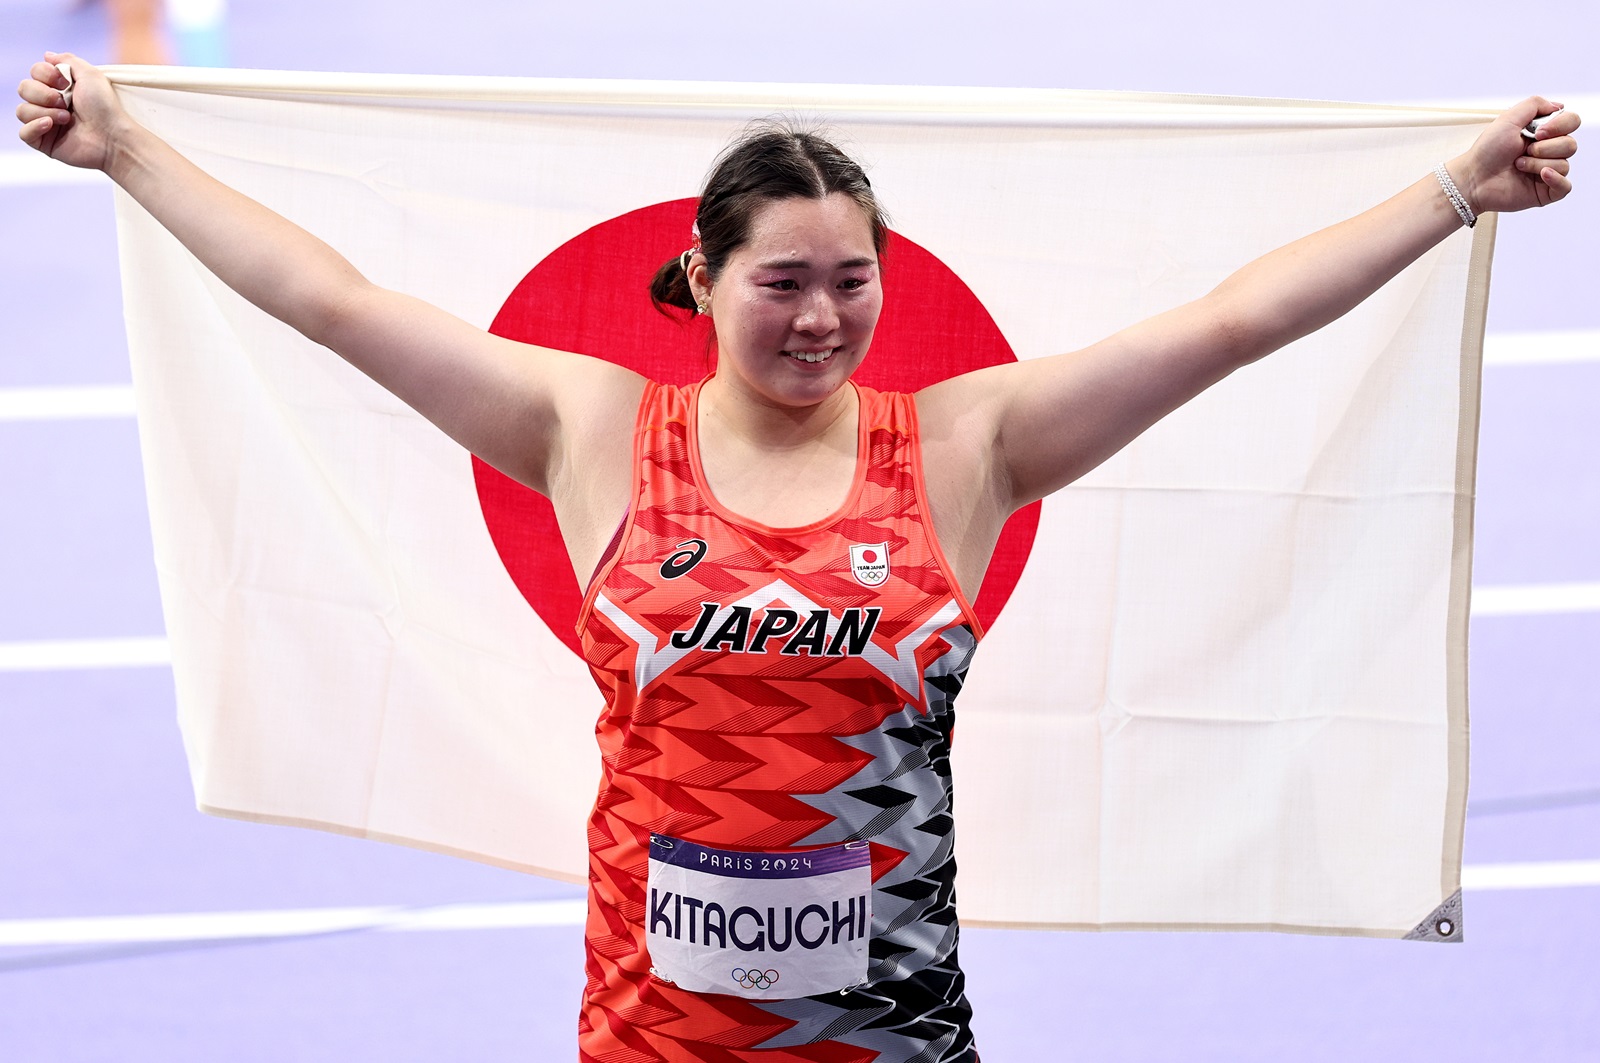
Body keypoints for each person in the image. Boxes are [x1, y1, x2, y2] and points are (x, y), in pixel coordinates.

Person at [16, 52, 1580, 1062]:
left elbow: (1231, 326)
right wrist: (126, 150)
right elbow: (331, 300)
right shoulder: (589, 428)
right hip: (651, 1041)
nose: (821, 317)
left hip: (894, 1042)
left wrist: (1456, 194)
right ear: (699, 279)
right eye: (781, 282)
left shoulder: (968, 445)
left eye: (852, 281)